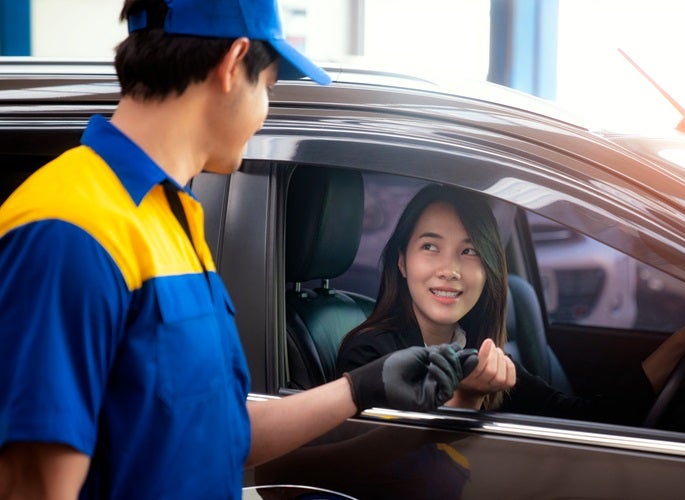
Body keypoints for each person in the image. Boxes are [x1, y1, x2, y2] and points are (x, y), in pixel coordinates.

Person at [0, 1, 477, 498]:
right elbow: (34, 484)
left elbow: (220, 435)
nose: (264, 113)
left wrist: (362, 387)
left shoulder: (170, 221)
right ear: (232, 65)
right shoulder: (69, 229)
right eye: (267, 87)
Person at [336, 184, 685, 423]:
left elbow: (586, 419)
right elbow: (397, 470)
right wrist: (465, 402)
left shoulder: (479, 352)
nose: (450, 270)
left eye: (470, 251)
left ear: (490, 269)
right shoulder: (369, 354)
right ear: (402, 261)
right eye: (430, 247)